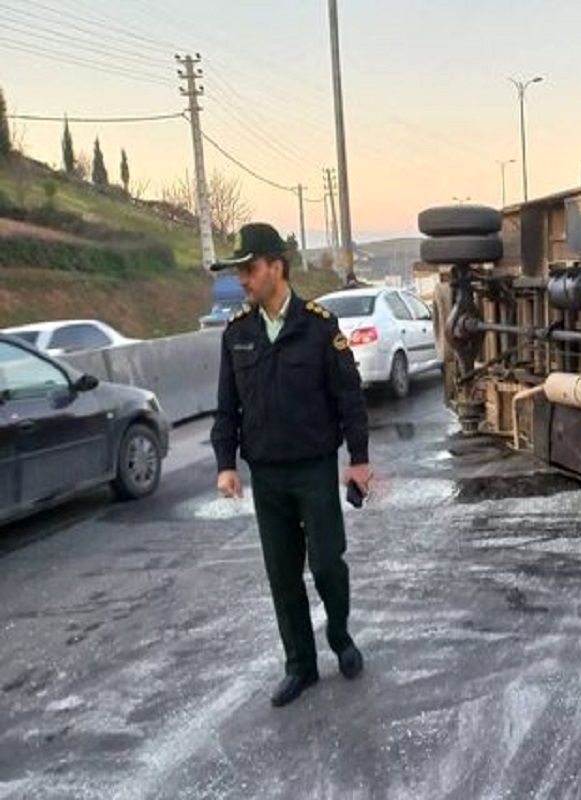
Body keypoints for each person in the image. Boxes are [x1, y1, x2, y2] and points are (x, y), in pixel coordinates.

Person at [211, 222, 371, 707]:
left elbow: (350, 398)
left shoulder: (319, 326)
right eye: (240, 271)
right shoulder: (237, 333)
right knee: (282, 575)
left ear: (275, 268)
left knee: (325, 565)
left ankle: (341, 639)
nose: (243, 279)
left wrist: (358, 460)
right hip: (268, 474)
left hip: (314, 469)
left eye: (249, 269)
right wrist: (226, 463)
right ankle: (300, 665)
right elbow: (226, 407)